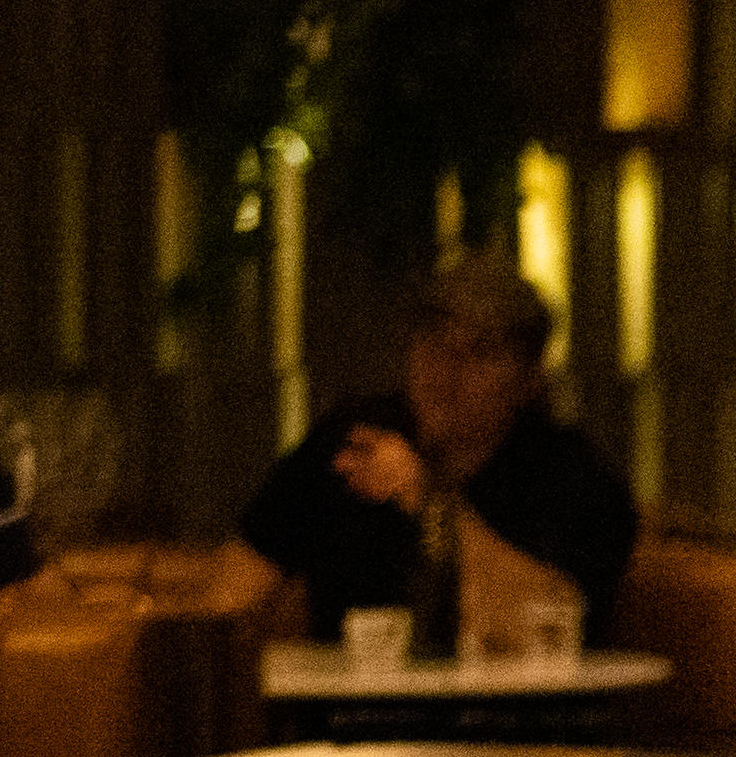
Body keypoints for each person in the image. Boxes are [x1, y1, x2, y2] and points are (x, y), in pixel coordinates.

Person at [217, 257, 638, 647]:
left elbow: (548, 631)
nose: (448, 370)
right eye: (433, 345)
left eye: (481, 353)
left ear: (530, 380)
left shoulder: (572, 475)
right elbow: (234, 590)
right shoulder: (354, 441)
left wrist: (424, 495)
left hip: (509, 720)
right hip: (348, 717)